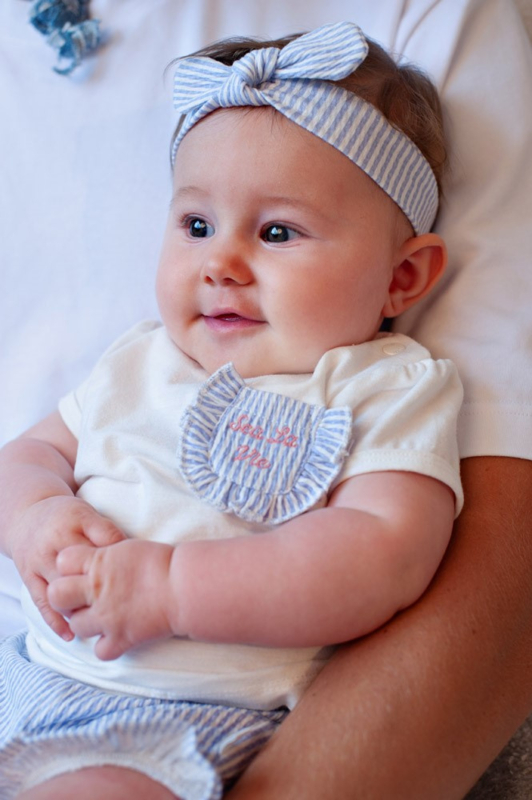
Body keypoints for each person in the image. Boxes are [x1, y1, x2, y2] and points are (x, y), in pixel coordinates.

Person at [1, 2, 531, 799]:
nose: (221, 263)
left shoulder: (387, 387)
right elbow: (29, 455)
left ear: (403, 278)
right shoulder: (142, 359)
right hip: (30, 670)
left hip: (184, 722)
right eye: (196, 223)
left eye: (277, 233)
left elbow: (384, 554)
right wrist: (37, 516)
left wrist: (172, 588)